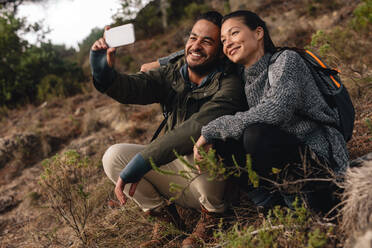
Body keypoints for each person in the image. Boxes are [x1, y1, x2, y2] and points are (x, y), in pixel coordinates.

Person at [90, 11, 246, 248]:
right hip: (178, 174)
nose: (196, 46)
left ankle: (214, 218)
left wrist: (142, 161)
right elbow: (133, 88)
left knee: (205, 150)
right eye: (193, 38)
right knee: (114, 156)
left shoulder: (229, 84)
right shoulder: (173, 73)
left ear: (220, 49)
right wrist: (104, 74)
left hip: (214, 181)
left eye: (207, 41)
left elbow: (194, 128)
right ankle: (166, 221)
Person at [191, 10, 349, 213]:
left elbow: (275, 111)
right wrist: (159, 63)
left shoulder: (286, 61)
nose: (228, 42)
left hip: (318, 156)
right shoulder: (244, 76)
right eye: (222, 40)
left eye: (234, 33)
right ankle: (268, 204)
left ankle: (308, 202)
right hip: (285, 156)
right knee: (223, 139)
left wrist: (210, 129)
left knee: (254, 134)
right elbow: (198, 52)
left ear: (258, 33)